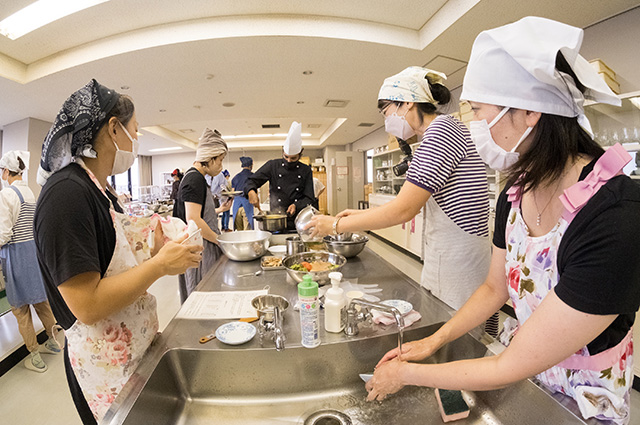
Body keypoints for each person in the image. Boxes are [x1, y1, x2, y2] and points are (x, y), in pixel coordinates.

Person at [364, 17, 640, 425]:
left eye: (478, 111)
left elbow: (510, 364)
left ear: (528, 111)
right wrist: (435, 339)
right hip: (527, 387)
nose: (474, 126)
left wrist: (405, 372)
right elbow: (495, 288)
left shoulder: (615, 214)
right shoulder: (515, 196)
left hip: (582, 401)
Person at [34, 79, 202, 424]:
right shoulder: (66, 195)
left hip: (132, 350)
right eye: (135, 131)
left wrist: (150, 254)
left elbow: (107, 268)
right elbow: (88, 305)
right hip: (103, 367)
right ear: (114, 129)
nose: (137, 140)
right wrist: (157, 266)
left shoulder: (100, 191)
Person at [308, 66, 491, 310]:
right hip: (457, 254)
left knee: (460, 338)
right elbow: (407, 202)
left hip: (456, 261)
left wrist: (334, 225)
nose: (386, 123)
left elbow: (404, 210)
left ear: (407, 103)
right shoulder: (444, 130)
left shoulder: (440, 134)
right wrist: (357, 214)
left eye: (387, 112)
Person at [0, 151, 61, 373]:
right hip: (33, 255)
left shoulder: (6, 195)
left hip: (16, 257)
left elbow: (4, 234)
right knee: (42, 303)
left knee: (20, 310)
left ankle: (34, 355)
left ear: (6, 172)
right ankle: (53, 341)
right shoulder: (29, 192)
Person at [173, 128, 232, 302]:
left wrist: (219, 210)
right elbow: (194, 220)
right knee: (201, 295)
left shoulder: (196, 177)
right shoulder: (194, 179)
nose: (221, 166)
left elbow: (196, 213)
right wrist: (220, 241)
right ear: (210, 158)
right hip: (199, 249)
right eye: (220, 160)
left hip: (202, 245)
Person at [245, 122, 315, 230]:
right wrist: (251, 191)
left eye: (293, 158)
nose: (288, 161)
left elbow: (309, 198)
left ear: (300, 155)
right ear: (282, 151)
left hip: (298, 220)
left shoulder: (305, 170)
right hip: (276, 219)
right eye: (286, 157)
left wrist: (296, 205)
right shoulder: (272, 165)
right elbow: (252, 181)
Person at [232, 156, 256, 230]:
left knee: (240, 233)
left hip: (236, 207)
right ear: (250, 166)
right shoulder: (253, 176)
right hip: (247, 206)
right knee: (247, 233)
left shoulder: (236, 177)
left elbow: (232, 193)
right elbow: (254, 195)